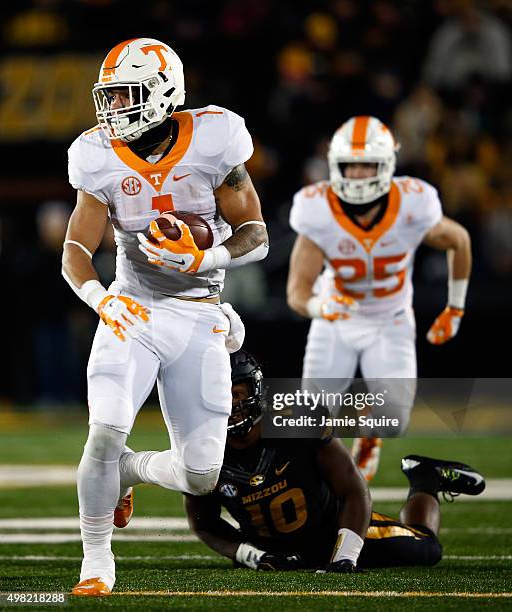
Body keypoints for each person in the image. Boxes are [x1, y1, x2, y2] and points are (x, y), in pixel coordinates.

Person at [62, 38, 269, 596]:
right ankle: (96, 561)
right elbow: (76, 248)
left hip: (200, 313)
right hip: (134, 309)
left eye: (126, 95)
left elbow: (257, 234)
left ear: (163, 92)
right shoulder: (96, 154)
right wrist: (101, 299)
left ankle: (132, 470)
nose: (113, 109)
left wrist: (208, 256)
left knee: (201, 476)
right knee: (104, 431)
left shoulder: (215, 136)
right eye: (108, 96)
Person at [286, 116, 472, 481]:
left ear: (386, 165)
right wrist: (319, 308)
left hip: (391, 319)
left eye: (367, 164)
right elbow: (297, 290)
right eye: (349, 165)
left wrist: (456, 307)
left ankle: (370, 433)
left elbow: (459, 240)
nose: (357, 174)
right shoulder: (317, 207)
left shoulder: (414, 203)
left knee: (395, 420)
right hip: (336, 320)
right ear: (334, 165)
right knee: (312, 419)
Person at [184, 350, 485, 571]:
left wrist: (345, 555)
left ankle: (425, 478)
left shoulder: (298, 420)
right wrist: (251, 555)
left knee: (429, 551)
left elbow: (353, 490)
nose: (231, 404)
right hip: (269, 547)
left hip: (334, 531)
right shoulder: (198, 447)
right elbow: (205, 524)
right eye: (221, 395)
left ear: (256, 391)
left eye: (237, 393)